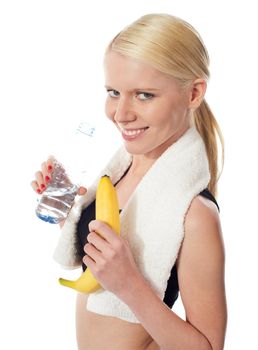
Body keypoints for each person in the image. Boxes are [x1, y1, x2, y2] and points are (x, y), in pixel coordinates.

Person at [31, 13, 227, 350]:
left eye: (144, 95)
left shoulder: (195, 214)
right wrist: (66, 209)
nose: (121, 113)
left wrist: (129, 284)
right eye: (114, 92)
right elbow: (101, 262)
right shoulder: (118, 174)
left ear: (194, 93)